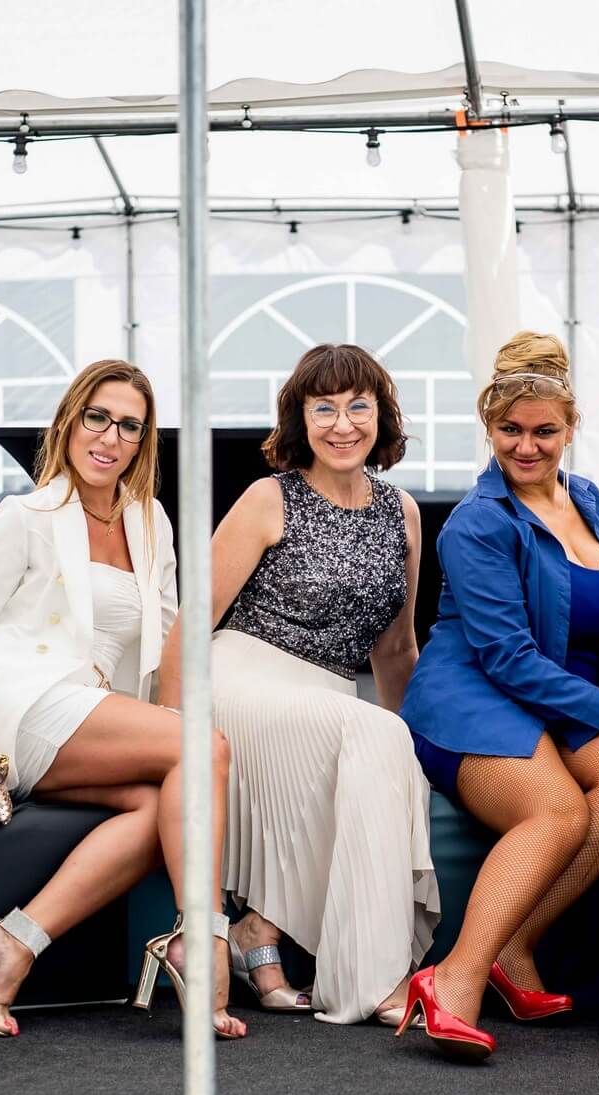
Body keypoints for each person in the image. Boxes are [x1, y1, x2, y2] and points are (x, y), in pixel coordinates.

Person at [0, 360, 244, 1039]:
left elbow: (167, 640)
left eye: (129, 425)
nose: (110, 437)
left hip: (93, 709)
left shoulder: (150, 520)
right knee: (202, 749)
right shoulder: (26, 516)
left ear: (142, 440)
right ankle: (203, 941)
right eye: (97, 418)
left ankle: (14, 941)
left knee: (165, 800)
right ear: (70, 423)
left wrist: (173, 721)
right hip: (21, 699)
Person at [397, 332, 599, 1062]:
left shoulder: (588, 499)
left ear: (571, 427)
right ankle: (454, 977)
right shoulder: (478, 522)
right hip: (474, 691)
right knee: (558, 811)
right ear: (488, 426)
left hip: (558, 696)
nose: (526, 446)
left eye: (544, 430)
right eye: (509, 429)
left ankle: (515, 946)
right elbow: (507, 657)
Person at [158, 343, 435, 1026]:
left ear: (381, 416)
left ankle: (260, 931)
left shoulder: (402, 512)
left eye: (358, 406)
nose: (343, 424)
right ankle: (379, 981)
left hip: (329, 697)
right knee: (371, 731)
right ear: (300, 420)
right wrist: (166, 734)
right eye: (324, 408)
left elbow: (396, 648)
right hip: (240, 678)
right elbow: (192, 625)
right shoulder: (269, 498)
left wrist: (418, 748)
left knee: (386, 741)